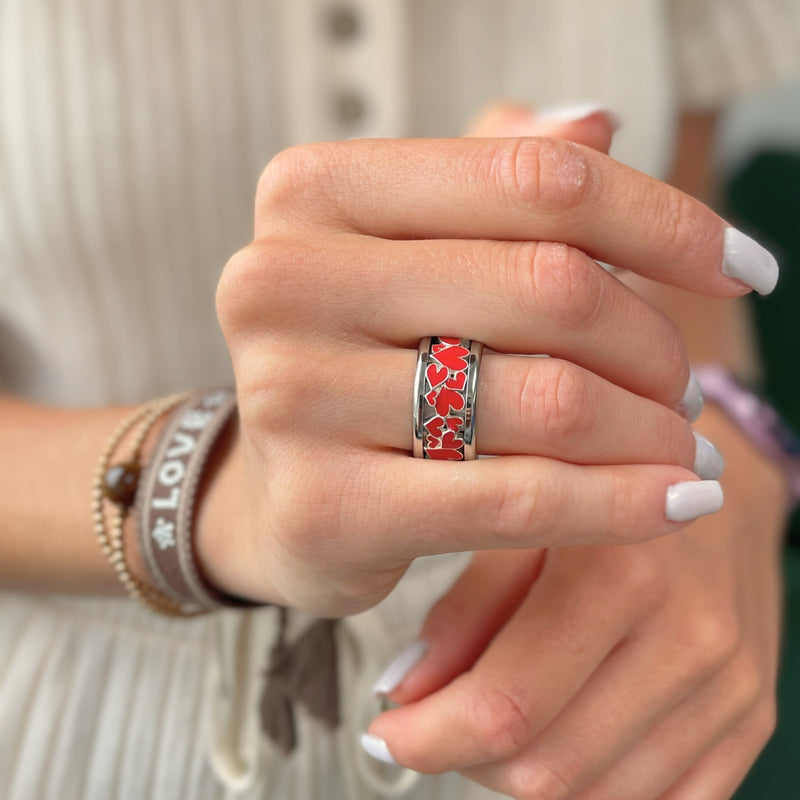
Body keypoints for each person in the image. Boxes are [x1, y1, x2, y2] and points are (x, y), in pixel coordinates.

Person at [1, 2, 798, 798]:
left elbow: (687, 234)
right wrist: (217, 493)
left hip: (563, 688)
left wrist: (728, 459)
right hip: (80, 726)